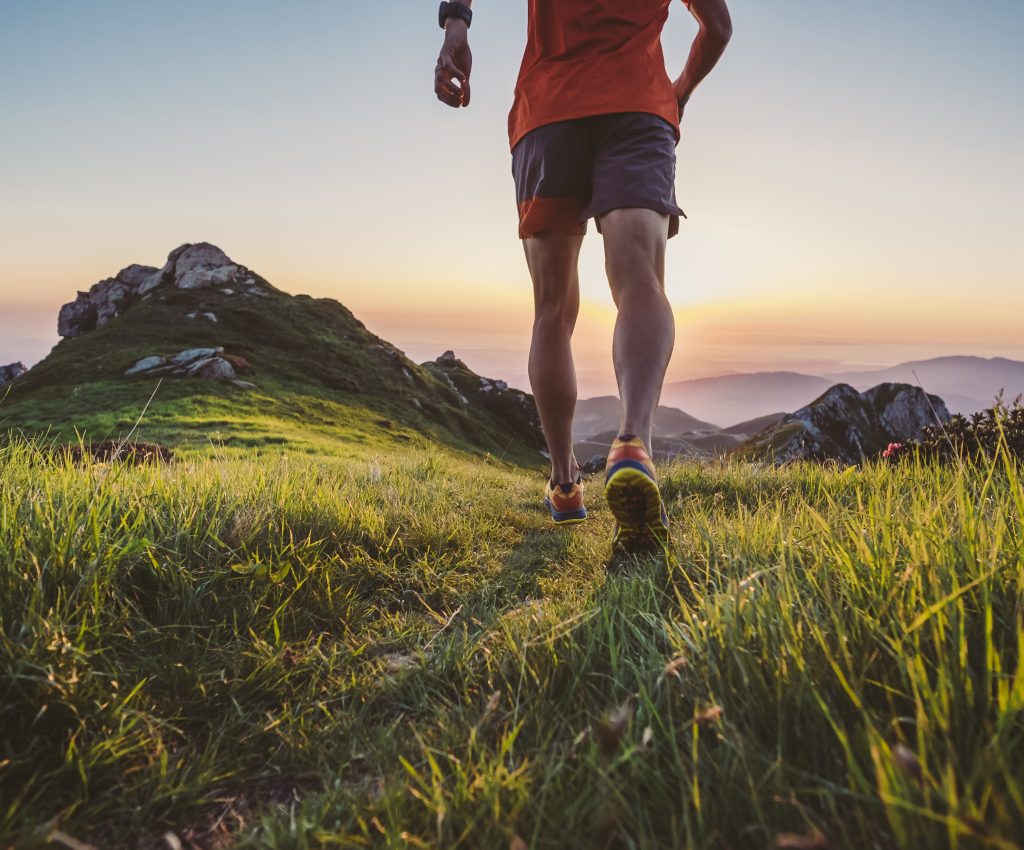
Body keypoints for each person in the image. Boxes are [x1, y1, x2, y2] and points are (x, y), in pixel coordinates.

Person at [434, 0, 732, 553]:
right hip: (639, 108)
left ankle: (565, 484)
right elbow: (717, 27)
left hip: (547, 113)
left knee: (551, 310)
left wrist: (455, 23)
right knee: (638, 275)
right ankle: (634, 442)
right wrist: (679, 92)